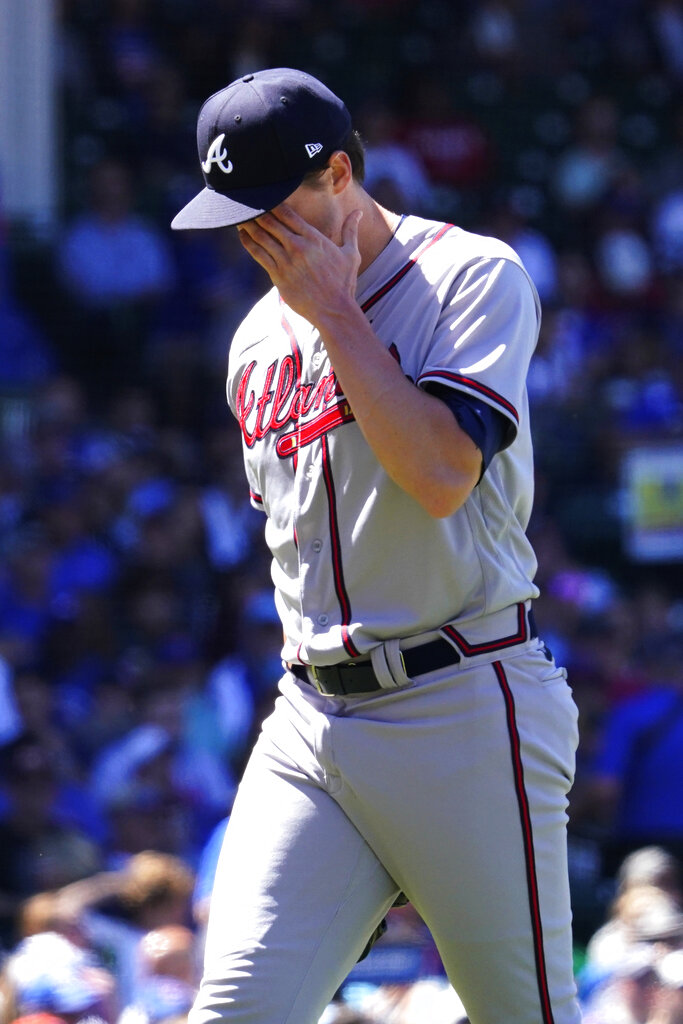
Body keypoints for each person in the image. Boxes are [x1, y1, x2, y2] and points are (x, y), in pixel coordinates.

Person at [171, 67, 581, 1024]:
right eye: (234, 214)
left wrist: (338, 318)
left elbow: (440, 478)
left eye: (271, 207)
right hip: (311, 720)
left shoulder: (472, 276)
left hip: (460, 702)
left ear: (341, 174)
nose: (251, 236)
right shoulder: (253, 341)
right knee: (233, 1012)